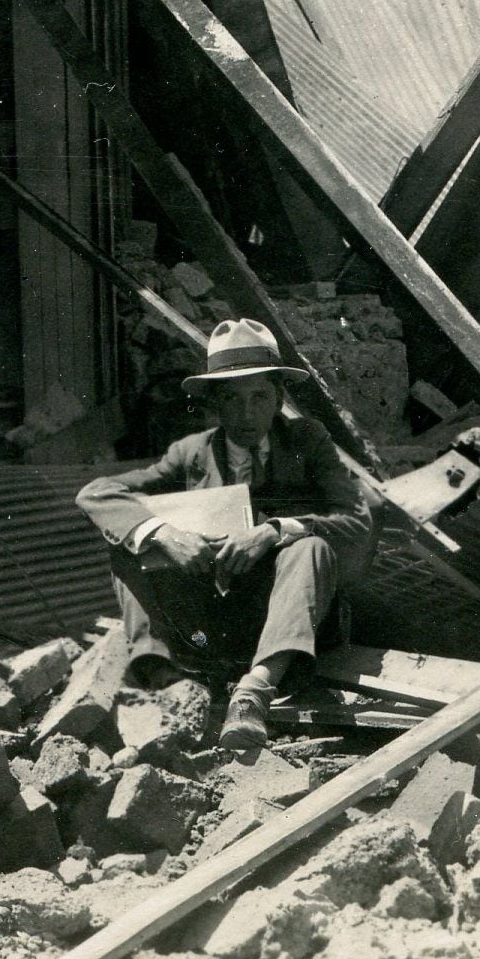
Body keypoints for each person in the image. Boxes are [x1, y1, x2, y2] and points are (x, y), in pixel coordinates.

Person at [76, 320, 375, 751]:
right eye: (232, 399)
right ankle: (166, 681)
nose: (247, 414)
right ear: (214, 404)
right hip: (214, 611)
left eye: (259, 397)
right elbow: (97, 493)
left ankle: (254, 694)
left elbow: (356, 520)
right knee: (128, 541)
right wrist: (163, 533)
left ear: (278, 399)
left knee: (309, 546)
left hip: (288, 612)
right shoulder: (191, 453)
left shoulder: (308, 441)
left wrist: (274, 531)